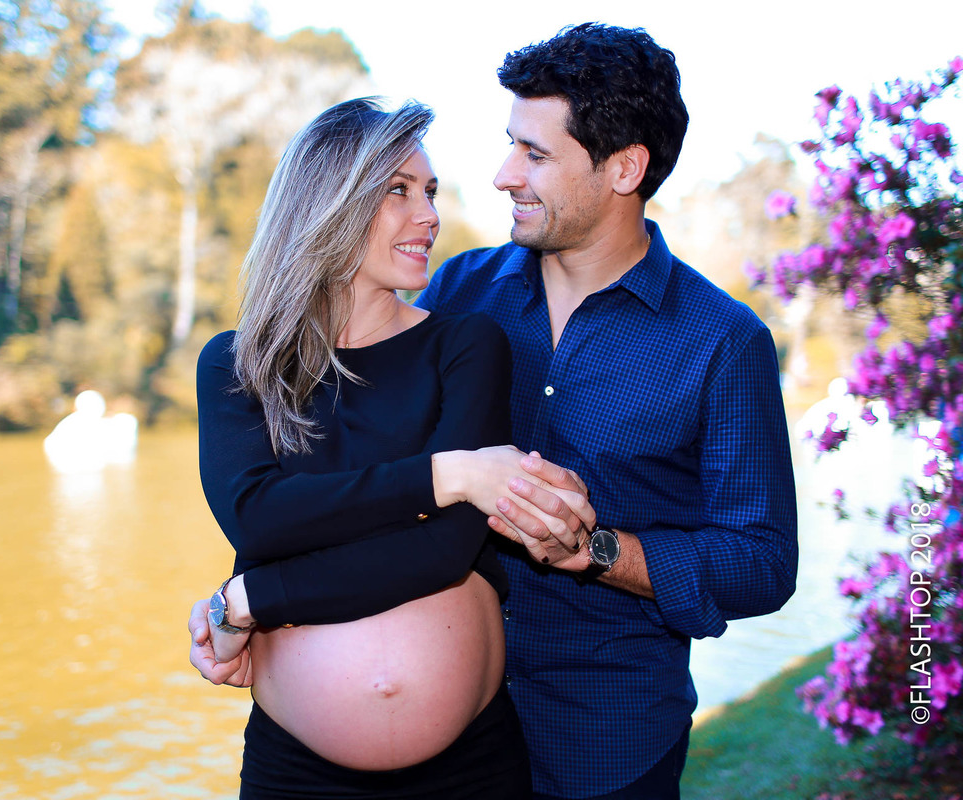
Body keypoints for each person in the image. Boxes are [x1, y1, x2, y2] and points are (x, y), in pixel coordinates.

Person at [193, 22, 798, 800]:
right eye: (511, 143)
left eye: (535, 154)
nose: (505, 174)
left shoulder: (722, 341)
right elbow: (348, 463)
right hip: (457, 732)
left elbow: (762, 563)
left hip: (600, 729)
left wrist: (599, 550)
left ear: (624, 168)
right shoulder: (458, 296)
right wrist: (243, 603)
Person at [194, 96, 591, 799]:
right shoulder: (237, 364)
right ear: (328, 205)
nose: (429, 215)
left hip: (469, 770)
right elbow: (261, 517)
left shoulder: (465, 346)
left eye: (431, 191)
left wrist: (254, 595)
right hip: (297, 775)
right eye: (398, 192)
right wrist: (449, 475)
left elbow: (440, 552)